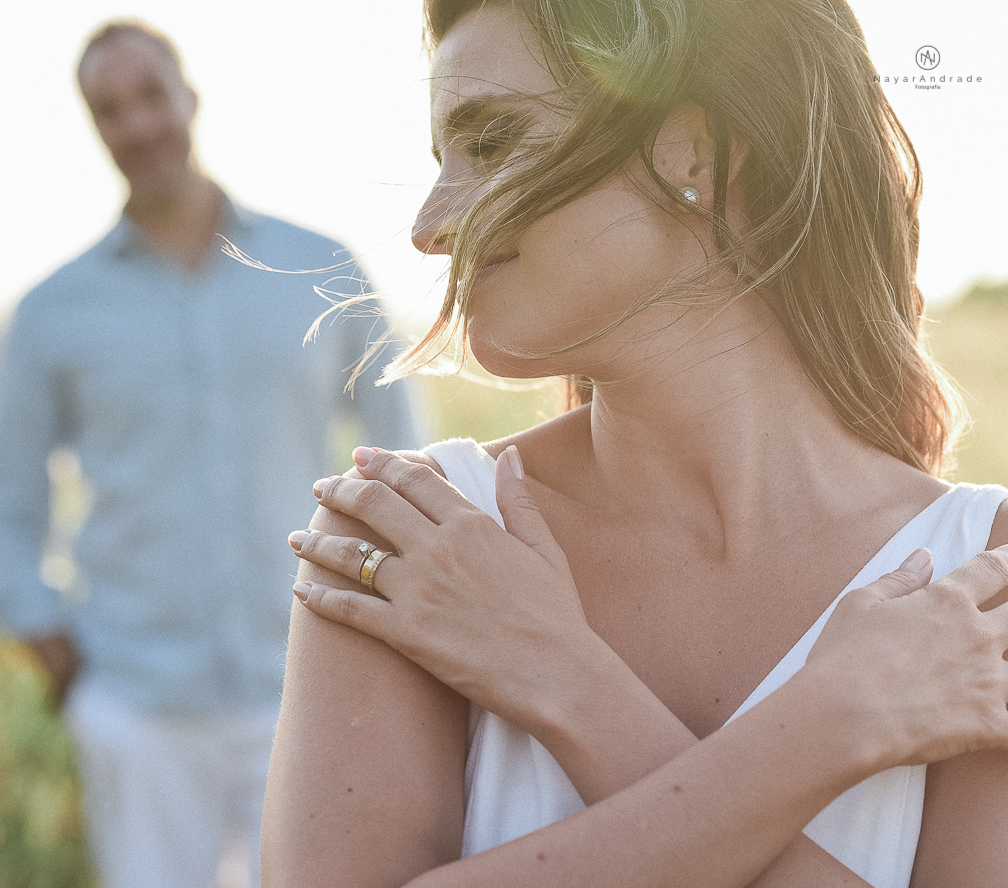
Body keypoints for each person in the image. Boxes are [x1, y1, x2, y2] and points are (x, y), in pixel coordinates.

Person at [261, 1, 1008, 886]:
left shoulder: (979, 582)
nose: (429, 226)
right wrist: (831, 725)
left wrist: (564, 678)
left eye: (491, 142)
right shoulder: (411, 535)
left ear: (694, 151)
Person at [0, 18, 421, 888]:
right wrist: (46, 636)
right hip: (137, 701)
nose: (136, 124)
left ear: (189, 98)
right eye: (110, 109)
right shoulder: (51, 312)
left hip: (308, 689)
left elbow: (403, 441)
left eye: (150, 96)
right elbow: (7, 493)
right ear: (94, 127)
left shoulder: (317, 267)